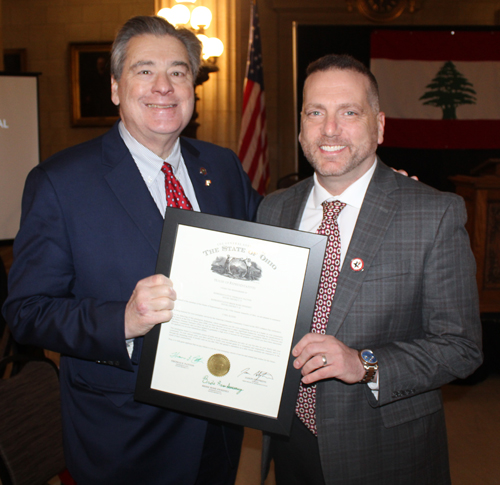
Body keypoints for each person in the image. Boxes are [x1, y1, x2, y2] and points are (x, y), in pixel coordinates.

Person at [3, 16, 261, 485]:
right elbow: (26, 311)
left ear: (194, 87)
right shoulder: (61, 183)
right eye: (144, 70)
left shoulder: (222, 167)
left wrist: (349, 201)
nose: (163, 86)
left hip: (219, 424)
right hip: (123, 435)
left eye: (179, 72)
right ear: (117, 88)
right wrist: (120, 320)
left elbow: (273, 244)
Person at [257, 54, 482, 485]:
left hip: (386, 451)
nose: (329, 130)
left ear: (379, 125)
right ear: (301, 124)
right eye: (315, 112)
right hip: (289, 442)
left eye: (349, 113)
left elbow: (462, 347)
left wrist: (365, 364)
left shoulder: (432, 213)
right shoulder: (274, 208)